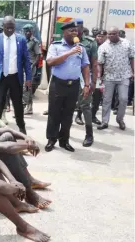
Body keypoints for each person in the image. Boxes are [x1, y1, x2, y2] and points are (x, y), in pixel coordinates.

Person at [45, 21, 90, 152]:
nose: (75, 33)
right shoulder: (56, 46)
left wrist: (86, 84)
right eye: (72, 31)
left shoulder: (81, 48)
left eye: (76, 31)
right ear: (64, 33)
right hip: (58, 84)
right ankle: (51, 139)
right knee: (54, 113)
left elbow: (85, 67)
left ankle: (64, 141)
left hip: (74, 85)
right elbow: (50, 62)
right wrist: (69, 53)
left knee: (68, 114)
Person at [0, 16, 32, 135]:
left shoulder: (21, 39)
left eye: (12, 27)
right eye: (8, 28)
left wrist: (28, 78)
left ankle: (21, 127)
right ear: (3, 27)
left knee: (18, 104)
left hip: (16, 77)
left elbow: (26, 60)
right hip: (1, 76)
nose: (10, 30)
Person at [97, 27, 134, 131]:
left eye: (113, 34)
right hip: (109, 77)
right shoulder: (103, 47)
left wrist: (133, 71)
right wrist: (100, 76)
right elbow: (100, 63)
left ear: (118, 34)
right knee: (106, 100)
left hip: (124, 76)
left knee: (123, 99)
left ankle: (120, 119)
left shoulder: (127, 43)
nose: (110, 36)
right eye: (109, 34)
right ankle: (105, 121)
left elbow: (132, 58)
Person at [72, 18, 98, 147]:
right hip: (68, 79)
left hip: (84, 80)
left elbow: (94, 64)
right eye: (74, 28)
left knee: (86, 107)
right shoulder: (67, 40)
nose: (76, 30)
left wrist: (93, 82)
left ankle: (89, 135)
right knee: (64, 107)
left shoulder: (90, 43)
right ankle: (63, 132)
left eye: (79, 27)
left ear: (83, 28)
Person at [22, 24, 41, 115]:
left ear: (32, 32)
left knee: (26, 86)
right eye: (26, 31)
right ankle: (29, 107)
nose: (27, 32)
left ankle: (24, 105)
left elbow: (38, 55)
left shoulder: (34, 42)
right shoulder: (23, 40)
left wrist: (33, 65)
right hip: (22, 66)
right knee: (27, 87)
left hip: (30, 66)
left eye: (29, 31)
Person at [92, 30, 107, 125]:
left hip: (101, 77)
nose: (100, 38)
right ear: (95, 37)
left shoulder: (106, 47)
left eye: (102, 36)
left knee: (97, 98)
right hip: (90, 75)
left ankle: (93, 116)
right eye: (98, 36)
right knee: (84, 98)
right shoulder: (91, 45)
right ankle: (79, 115)